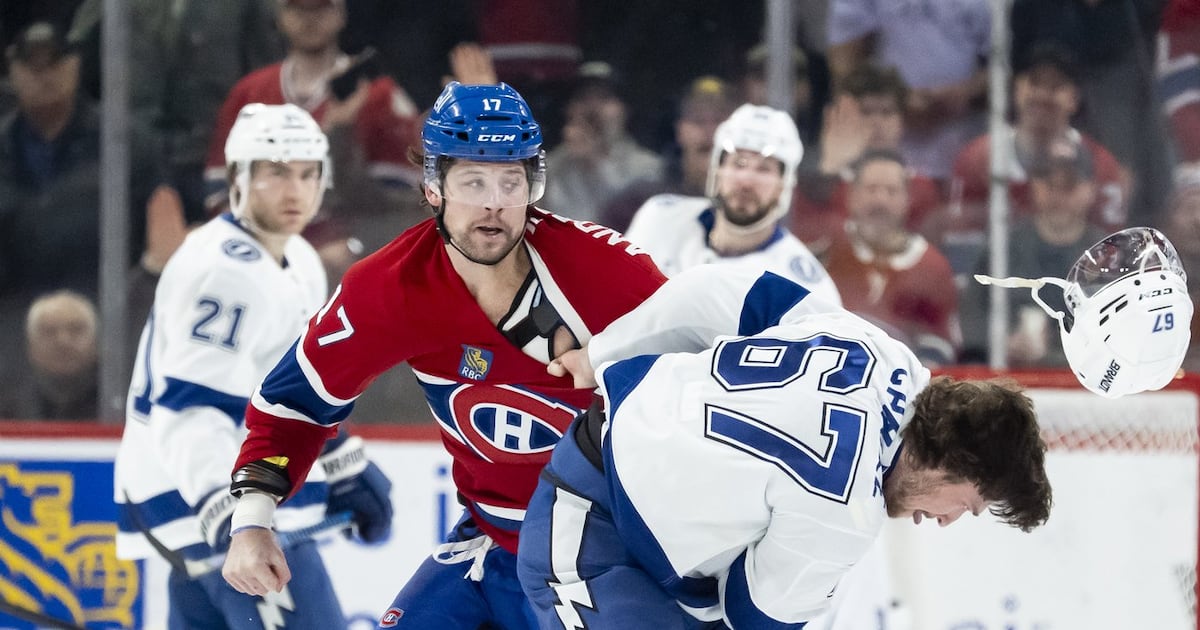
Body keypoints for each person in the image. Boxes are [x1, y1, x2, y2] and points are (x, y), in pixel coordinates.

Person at [219, 82, 667, 627]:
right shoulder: (388, 288)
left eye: (511, 180)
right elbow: (296, 403)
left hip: (608, 552)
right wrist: (252, 519)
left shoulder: (610, 272)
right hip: (492, 544)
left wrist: (625, 364)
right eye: (473, 180)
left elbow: (717, 377)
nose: (494, 202)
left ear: (534, 185)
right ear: (434, 187)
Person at [515, 265, 1054, 629]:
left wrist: (605, 352)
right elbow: (753, 617)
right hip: (590, 538)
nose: (947, 520)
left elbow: (721, 293)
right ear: (955, 462)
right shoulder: (847, 515)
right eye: (968, 503)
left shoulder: (885, 354)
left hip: (610, 473)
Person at [113, 103, 393, 629]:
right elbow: (190, 411)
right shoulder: (224, 271)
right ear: (239, 178)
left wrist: (341, 463)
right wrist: (232, 515)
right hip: (220, 513)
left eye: (308, 174)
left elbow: (298, 391)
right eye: (276, 173)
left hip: (217, 516)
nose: (295, 191)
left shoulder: (298, 259)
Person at [624, 103, 841, 306]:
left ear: (783, 186)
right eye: (739, 164)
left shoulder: (803, 287)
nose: (746, 180)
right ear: (717, 170)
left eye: (764, 169)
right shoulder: (660, 218)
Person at [960, 136, 1109, 366]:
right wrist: (1002, 342)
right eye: (1049, 184)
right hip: (1009, 377)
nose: (1058, 196)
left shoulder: (1107, 255)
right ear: (1034, 187)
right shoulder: (1002, 247)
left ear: (1090, 190)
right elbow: (971, 316)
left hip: (1086, 385)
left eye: (1068, 185)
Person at [820, 149, 961, 366]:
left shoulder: (932, 267)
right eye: (871, 189)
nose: (880, 200)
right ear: (852, 196)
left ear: (907, 199)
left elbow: (940, 341)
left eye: (891, 191)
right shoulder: (825, 252)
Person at [0, 289, 98, 420]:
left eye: (76, 330)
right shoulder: (7, 408)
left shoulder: (120, 405)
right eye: (49, 331)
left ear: (96, 344)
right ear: (31, 347)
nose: (63, 342)